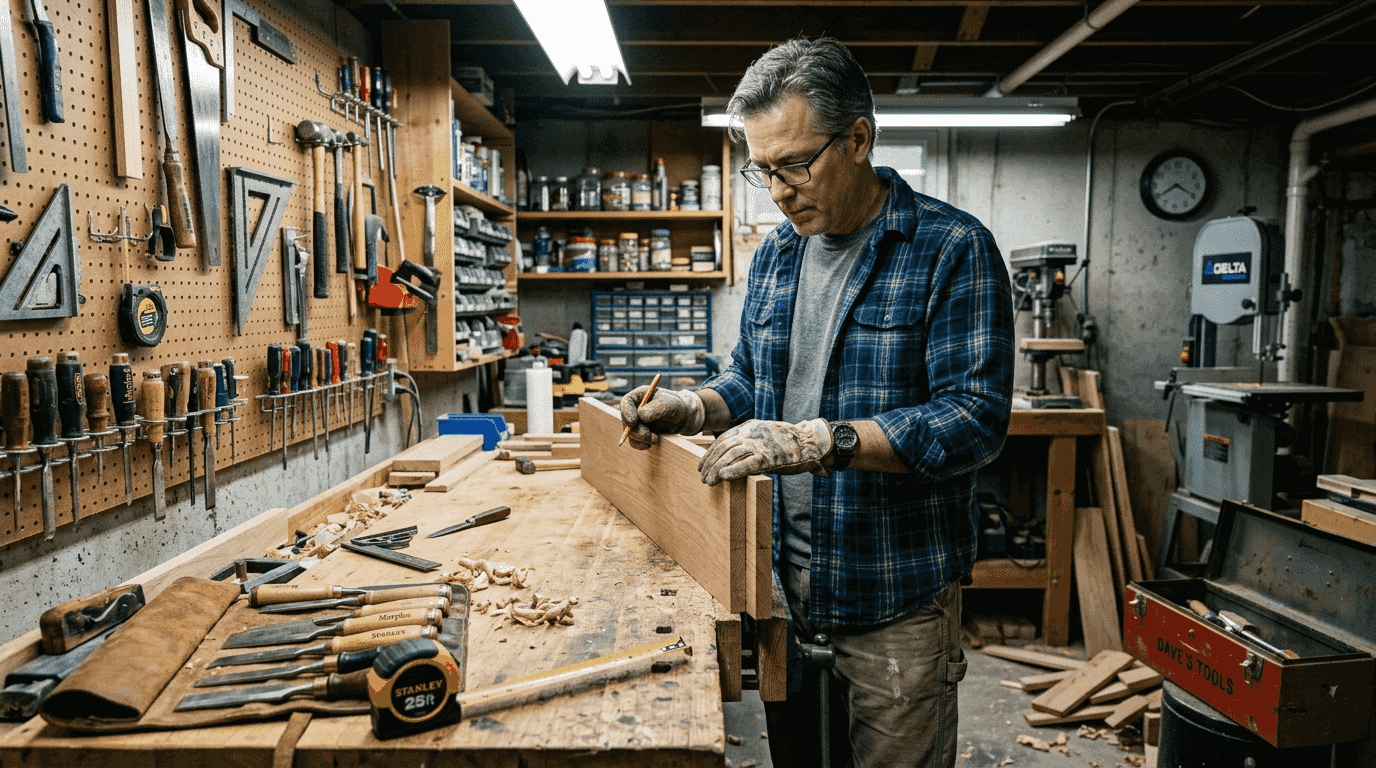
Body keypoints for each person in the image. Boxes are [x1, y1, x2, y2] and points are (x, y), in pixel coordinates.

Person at [620, 37, 1015, 768]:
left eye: (796, 164)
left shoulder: (951, 249)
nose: (779, 191)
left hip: (893, 595)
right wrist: (694, 407)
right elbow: (750, 379)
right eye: (763, 169)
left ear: (859, 138)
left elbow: (975, 420)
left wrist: (822, 442)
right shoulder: (777, 254)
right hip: (780, 587)